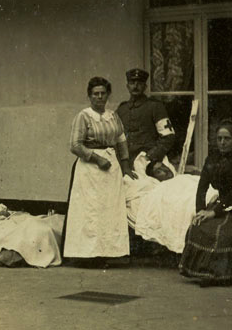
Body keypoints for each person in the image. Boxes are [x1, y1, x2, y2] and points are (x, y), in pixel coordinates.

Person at [179, 120, 232, 286]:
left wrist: (214, 212)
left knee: (224, 232)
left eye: (227, 138)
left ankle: (220, 274)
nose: (222, 142)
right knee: (198, 226)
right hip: (222, 202)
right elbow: (202, 187)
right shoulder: (212, 159)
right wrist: (200, 211)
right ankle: (203, 271)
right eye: (219, 139)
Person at [62, 77, 137, 263]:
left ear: (108, 95)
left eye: (103, 93)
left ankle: (110, 252)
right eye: (96, 94)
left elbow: (121, 139)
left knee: (109, 208)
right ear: (89, 96)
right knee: (90, 210)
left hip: (111, 167)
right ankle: (87, 254)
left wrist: (126, 165)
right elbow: (75, 145)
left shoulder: (113, 116)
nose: (100, 97)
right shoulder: (84, 116)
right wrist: (96, 158)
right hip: (89, 168)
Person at [115, 68, 176, 173]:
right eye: (132, 82)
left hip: (148, 162)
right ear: (127, 86)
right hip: (126, 163)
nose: (135, 85)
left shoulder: (155, 106)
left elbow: (168, 137)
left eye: (139, 83)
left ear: (145, 86)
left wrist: (149, 157)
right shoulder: (121, 109)